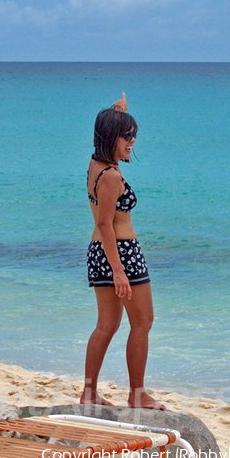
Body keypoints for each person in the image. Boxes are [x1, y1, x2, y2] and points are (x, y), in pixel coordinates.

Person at [81, 93, 164, 410]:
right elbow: (105, 224)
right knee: (143, 323)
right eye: (126, 136)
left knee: (107, 325)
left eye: (134, 135)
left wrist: (119, 111)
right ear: (109, 138)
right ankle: (137, 394)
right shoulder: (112, 176)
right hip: (120, 252)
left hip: (100, 252)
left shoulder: (96, 165)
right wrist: (119, 271)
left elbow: (101, 226)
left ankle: (89, 394)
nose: (132, 141)